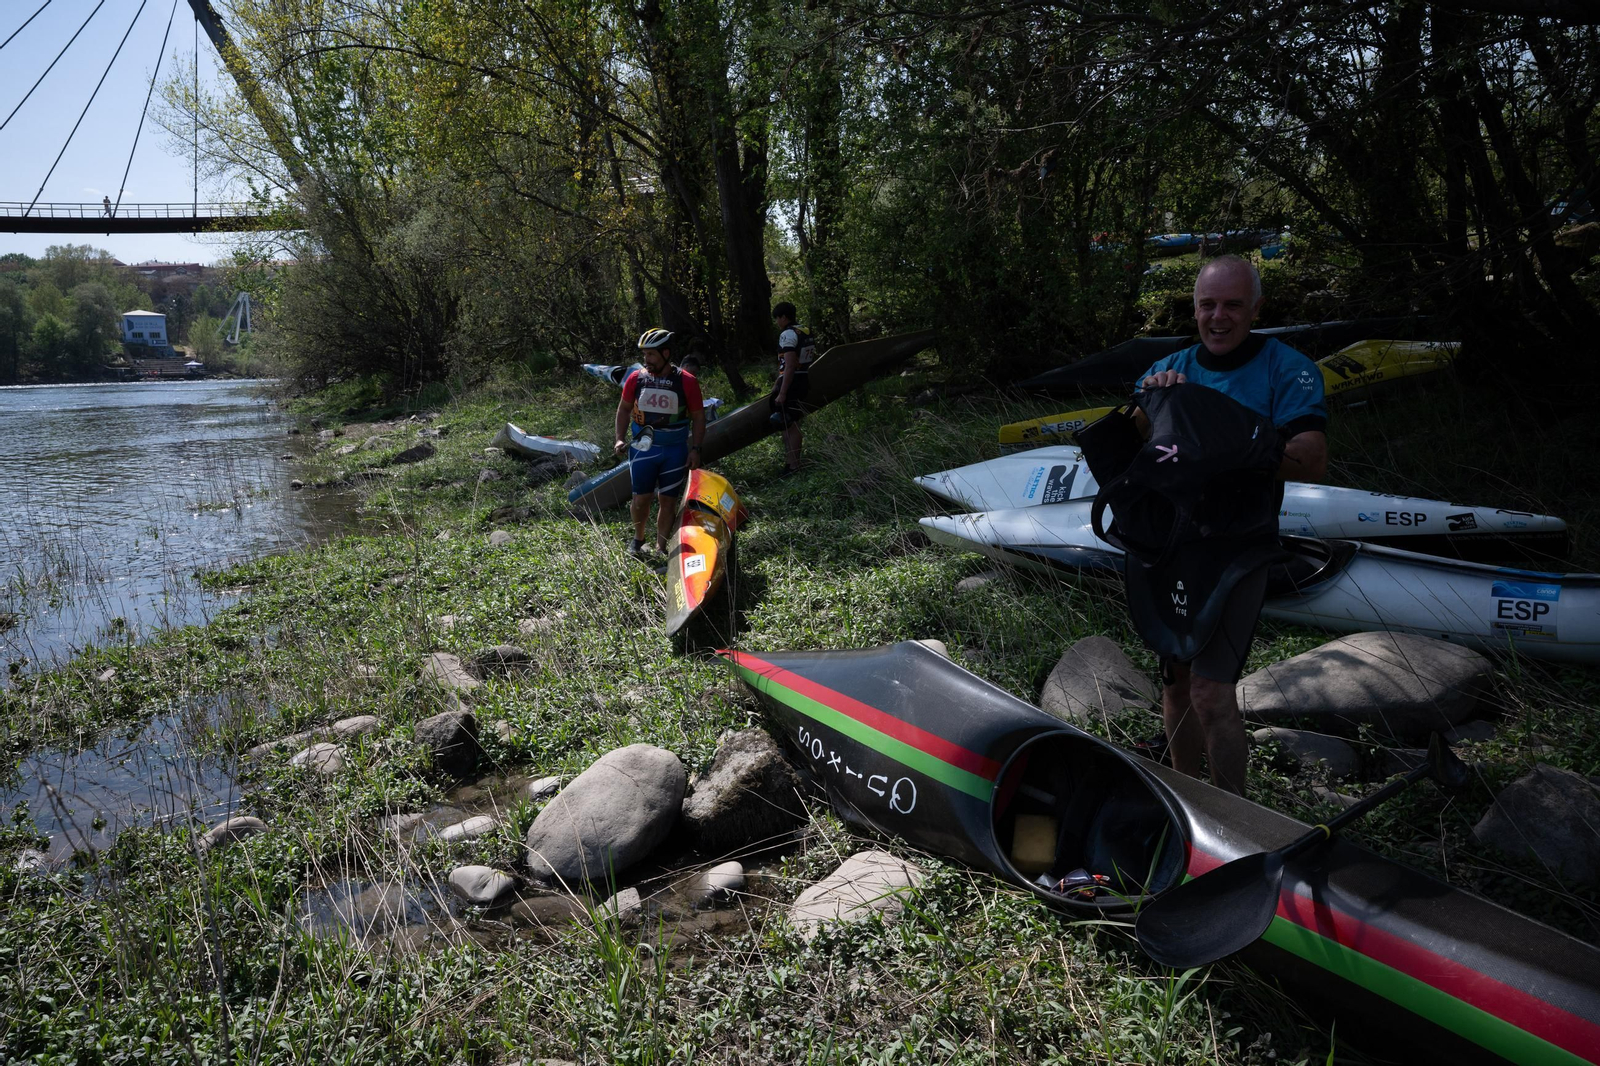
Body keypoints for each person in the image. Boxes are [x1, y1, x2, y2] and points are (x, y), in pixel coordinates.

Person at [1136, 255, 1328, 796]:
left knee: (1211, 696)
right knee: (1175, 688)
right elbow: (1134, 454)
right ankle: (1186, 803)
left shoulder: (1286, 369)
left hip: (1238, 548)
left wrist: (1229, 437)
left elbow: (1311, 458)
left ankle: (1233, 818)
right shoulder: (1170, 368)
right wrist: (1153, 406)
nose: (1218, 317)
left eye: (1232, 305)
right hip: (1172, 545)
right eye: (1207, 305)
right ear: (1194, 308)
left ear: (1256, 309)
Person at [614, 328, 707, 558]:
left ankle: (661, 548)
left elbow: (698, 417)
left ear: (666, 353)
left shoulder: (687, 381)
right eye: (644, 355)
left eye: (651, 355)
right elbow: (624, 409)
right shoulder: (636, 379)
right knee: (640, 499)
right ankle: (638, 539)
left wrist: (695, 448)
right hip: (643, 448)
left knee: (668, 500)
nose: (646, 360)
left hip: (674, 450)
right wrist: (618, 437)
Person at [770, 301, 817, 476]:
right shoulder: (805, 331)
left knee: (789, 423)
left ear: (783, 317)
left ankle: (794, 466)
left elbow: (789, 365)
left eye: (777, 318)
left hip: (792, 382)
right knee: (788, 422)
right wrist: (777, 382)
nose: (777, 322)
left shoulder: (787, 334)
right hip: (803, 378)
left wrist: (782, 392)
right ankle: (791, 463)